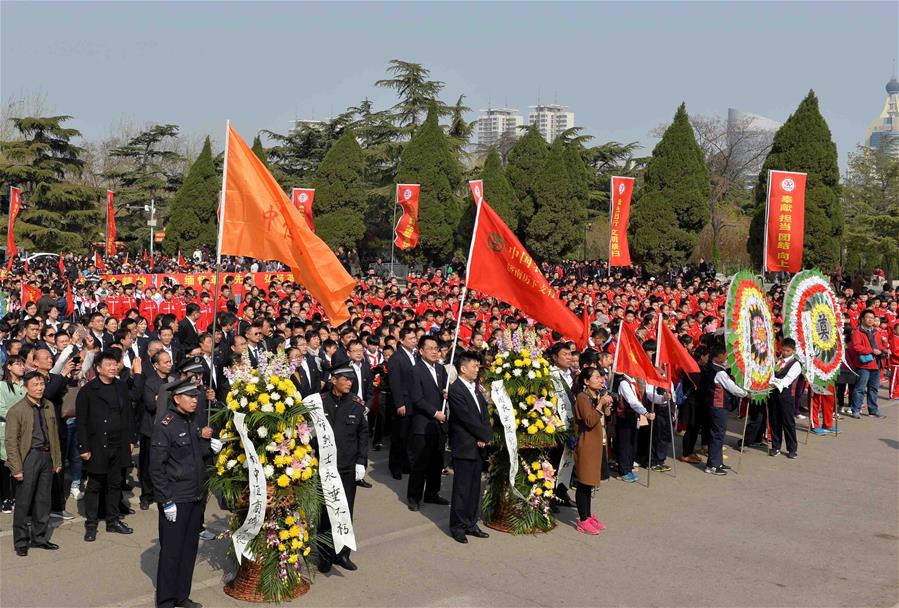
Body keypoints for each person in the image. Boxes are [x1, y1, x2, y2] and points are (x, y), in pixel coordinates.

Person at [149, 378, 216, 608]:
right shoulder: (165, 425)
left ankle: (181, 595)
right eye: (190, 396)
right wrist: (166, 500)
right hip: (177, 497)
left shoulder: (193, 420)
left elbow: (197, 454)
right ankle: (166, 601)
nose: (195, 400)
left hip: (195, 494)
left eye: (196, 396)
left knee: (188, 550)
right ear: (177, 398)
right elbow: (156, 468)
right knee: (172, 553)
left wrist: (210, 446)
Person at [75, 350, 140, 541]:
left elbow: (128, 415)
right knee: (95, 484)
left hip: (119, 444)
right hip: (96, 445)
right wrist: (84, 448)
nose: (113, 368)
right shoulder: (88, 391)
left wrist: (130, 439)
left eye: (115, 364)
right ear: (98, 368)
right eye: (109, 365)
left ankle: (113, 520)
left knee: (115, 483)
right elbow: (82, 422)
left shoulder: (120, 387)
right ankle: (91, 523)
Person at [317, 365, 369, 574]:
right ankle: (324, 554)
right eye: (345, 379)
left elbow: (363, 435)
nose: (349, 383)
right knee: (325, 512)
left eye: (351, 380)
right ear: (333, 380)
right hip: (325, 467)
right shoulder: (319, 403)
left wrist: (361, 462)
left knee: (344, 511)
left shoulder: (356, 404)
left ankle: (343, 553)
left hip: (347, 467)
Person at [5, 371, 62, 556]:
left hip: (46, 457)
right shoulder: (17, 410)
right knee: (24, 501)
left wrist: (57, 460)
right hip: (28, 457)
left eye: (41, 384)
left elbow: (54, 435)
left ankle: (39, 537)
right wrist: (16, 467)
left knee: (43, 500)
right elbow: (11, 442)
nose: (39, 388)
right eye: (35, 385)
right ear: (25, 387)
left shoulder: (48, 406)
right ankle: (21, 541)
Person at [447, 351, 492, 544]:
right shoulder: (456, 389)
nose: (477, 369)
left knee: (475, 488)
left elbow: (483, 415)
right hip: (465, 445)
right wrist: (481, 435)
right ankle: (457, 526)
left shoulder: (475, 388)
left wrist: (485, 435)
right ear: (463, 368)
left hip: (478, 445)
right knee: (462, 488)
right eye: (474, 366)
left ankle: (471, 523)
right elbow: (466, 418)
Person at [406, 335, 449, 511]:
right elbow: (417, 398)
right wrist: (434, 413)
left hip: (439, 424)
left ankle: (432, 493)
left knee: (437, 461)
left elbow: (442, 392)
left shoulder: (440, 369)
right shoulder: (415, 370)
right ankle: (414, 497)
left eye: (436, 348)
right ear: (421, 351)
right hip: (423, 424)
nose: (434, 351)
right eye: (430, 348)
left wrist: (446, 393)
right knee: (420, 463)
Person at [572, 367, 613, 535]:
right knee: (584, 482)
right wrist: (600, 405)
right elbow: (589, 421)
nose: (600, 380)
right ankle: (582, 520)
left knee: (590, 483)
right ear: (586, 381)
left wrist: (607, 406)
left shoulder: (595, 396)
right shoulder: (582, 398)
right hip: (586, 443)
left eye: (600, 377)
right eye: (596, 377)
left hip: (597, 442)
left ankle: (588, 515)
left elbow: (606, 419)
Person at [701, 342, 748, 476]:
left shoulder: (712, 366)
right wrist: (746, 394)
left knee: (718, 434)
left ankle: (718, 461)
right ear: (719, 356)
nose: (727, 358)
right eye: (725, 355)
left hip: (714, 405)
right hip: (718, 405)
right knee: (717, 434)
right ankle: (712, 465)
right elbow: (731, 387)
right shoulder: (719, 372)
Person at [140, 349, 173, 510]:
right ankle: (146, 494)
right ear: (156, 365)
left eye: (170, 361)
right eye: (166, 362)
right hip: (151, 428)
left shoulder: (173, 380)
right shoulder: (150, 382)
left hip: (169, 428)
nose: (169, 364)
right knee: (148, 464)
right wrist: (160, 398)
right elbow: (151, 404)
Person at [386, 328, 417, 480]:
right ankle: (395, 466)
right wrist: (399, 403)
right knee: (399, 437)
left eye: (414, 338)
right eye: (410, 338)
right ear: (402, 340)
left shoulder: (415, 356)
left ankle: (406, 464)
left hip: (413, 403)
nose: (414, 340)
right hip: (402, 403)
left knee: (409, 438)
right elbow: (395, 383)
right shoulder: (396, 358)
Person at [0, 355, 26, 513]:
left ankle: (18, 496)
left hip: (24, 431)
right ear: (8, 367)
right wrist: (21, 416)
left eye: (23, 364)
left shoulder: (26, 384)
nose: (22, 367)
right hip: (6, 429)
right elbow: (1, 409)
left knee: (21, 463)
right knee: (5, 464)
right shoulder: (2, 386)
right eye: (17, 364)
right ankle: (6, 497)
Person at [847, 309, 884, 419]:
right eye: (868, 318)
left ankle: (873, 409)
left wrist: (884, 350)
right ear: (862, 319)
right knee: (860, 388)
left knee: (874, 389)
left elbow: (879, 347)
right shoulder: (857, 332)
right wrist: (872, 350)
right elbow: (856, 347)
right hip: (864, 365)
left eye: (872, 318)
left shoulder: (876, 332)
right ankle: (856, 410)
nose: (870, 320)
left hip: (876, 364)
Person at [768, 338, 801, 459]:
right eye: (783, 350)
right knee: (774, 421)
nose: (785, 353)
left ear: (793, 350)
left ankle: (792, 448)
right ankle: (775, 446)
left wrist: (774, 383)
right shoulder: (777, 360)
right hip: (773, 394)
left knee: (788, 423)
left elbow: (788, 379)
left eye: (788, 351)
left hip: (786, 396)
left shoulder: (795, 364)